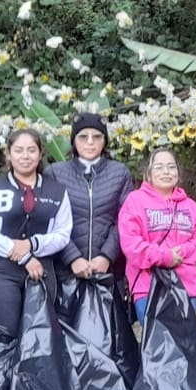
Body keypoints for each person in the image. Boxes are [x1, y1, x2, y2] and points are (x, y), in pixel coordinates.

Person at [0, 129, 73, 334]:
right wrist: (25, 257)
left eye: (31, 150)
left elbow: (63, 233)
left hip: (42, 272)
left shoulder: (57, 191)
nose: (25, 156)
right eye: (18, 150)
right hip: (1, 273)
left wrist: (33, 244)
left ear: (40, 154)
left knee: (40, 339)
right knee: (5, 335)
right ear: (9, 154)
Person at [118, 148, 196, 322]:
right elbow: (131, 244)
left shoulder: (190, 206)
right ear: (148, 172)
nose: (166, 172)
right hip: (148, 287)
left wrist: (182, 252)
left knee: (183, 345)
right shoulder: (135, 201)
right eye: (159, 167)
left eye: (171, 167)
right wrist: (164, 256)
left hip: (186, 287)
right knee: (156, 346)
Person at [46, 112, 132, 283]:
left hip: (109, 272)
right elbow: (49, 220)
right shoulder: (55, 173)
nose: (90, 142)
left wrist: (106, 256)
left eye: (97, 136)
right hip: (64, 272)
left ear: (105, 141)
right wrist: (73, 258)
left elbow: (125, 219)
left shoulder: (119, 173)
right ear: (74, 140)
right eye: (83, 136)